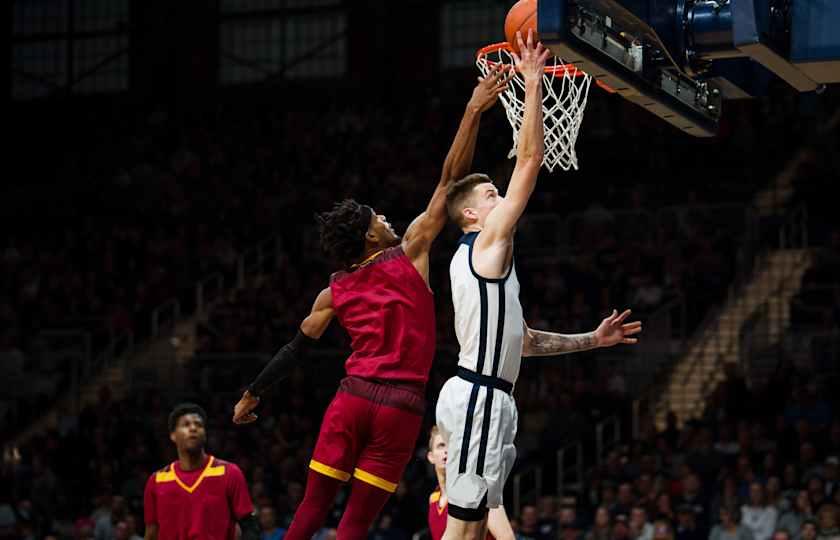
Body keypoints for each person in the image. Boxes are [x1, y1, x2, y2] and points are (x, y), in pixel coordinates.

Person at [231, 65, 512, 539]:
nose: (386, 217)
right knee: (356, 524)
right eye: (377, 217)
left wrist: (252, 392)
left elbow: (295, 348)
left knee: (311, 508)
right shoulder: (412, 252)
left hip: (353, 399)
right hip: (399, 408)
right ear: (369, 234)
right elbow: (449, 182)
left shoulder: (333, 290)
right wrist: (473, 110)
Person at [436, 29, 642, 539]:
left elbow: (524, 343)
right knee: (463, 529)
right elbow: (529, 162)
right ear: (469, 214)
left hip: (491, 394)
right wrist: (531, 83)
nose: (498, 195)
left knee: (478, 521)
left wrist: (593, 340)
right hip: (479, 394)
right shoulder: (485, 246)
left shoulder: (487, 264)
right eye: (489, 193)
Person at [143, 403, 257, 540]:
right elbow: (151, 533)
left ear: (205, 434)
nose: (193, 428)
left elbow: (249, 527)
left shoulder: (229, 473)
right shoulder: (156, 481)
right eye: (185, 424)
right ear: (173, 435)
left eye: (198, 424)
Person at [426, 425, 513, 540]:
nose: (447, 450)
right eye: (441, 445)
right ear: (431, 457)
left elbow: (507, 538)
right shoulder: (433, 499)